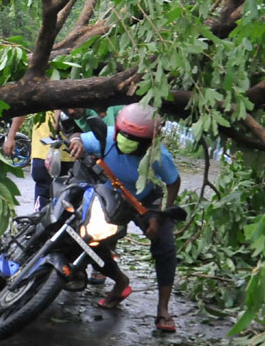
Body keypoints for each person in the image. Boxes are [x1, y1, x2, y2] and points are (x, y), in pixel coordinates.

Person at [67, 102, 181, 332]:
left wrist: (160, 214)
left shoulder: (160, 157)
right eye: (125, 137)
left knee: (165, 247)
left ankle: (163, 309)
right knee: (89, 237)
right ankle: (120, 282)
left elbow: (173, 182)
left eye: (136, 141)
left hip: (144, 201)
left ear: (151, 142)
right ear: (118, 131)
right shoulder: (105, 137)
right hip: (111, 195)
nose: (128, 143)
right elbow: (79, 137)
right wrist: (76, 143)